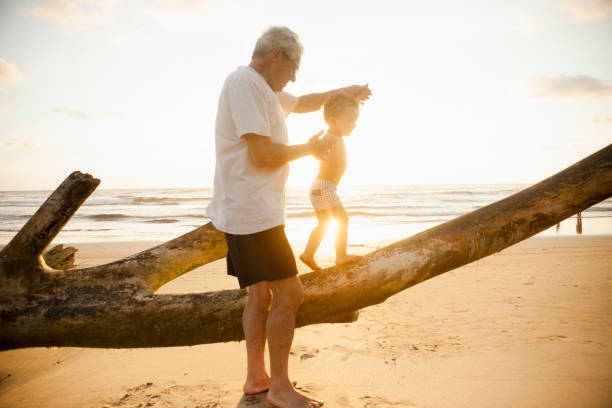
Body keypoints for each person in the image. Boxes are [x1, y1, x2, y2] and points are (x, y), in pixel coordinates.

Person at [205, 26, 371, 408]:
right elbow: (261, 155)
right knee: (290, 293)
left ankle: (256, 378)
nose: (296, 75)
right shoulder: (245, 85)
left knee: (259, 293)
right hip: (253, 212)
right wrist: (310, 148)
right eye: (294, 66)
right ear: (276, 55)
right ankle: (279, 387)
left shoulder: (264, 90)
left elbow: (308, 101)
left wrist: (347, 92)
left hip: (247, 209)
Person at [299, 93, 364, 271]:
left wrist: (354, 99)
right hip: (324, 186)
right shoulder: (331, 138)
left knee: (325, 224)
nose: (354, 125)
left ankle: (308, 254)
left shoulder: (336, 137)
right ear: (333, 121)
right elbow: (317, 146)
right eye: (350, 120)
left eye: (355, 120)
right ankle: (341, 256)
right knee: (342, 219)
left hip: (319, 188)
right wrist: (312, 145)